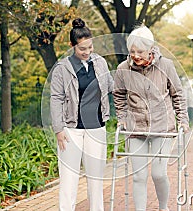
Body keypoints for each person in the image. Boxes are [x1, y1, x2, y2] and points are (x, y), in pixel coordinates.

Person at [113, 25, 190, 211]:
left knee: (158, 173)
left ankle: (163, 207)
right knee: (139, 176)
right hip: (135, 127)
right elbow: (118, 95)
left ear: (151, 49)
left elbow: (178, 94)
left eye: (140, 51)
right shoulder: (123, 69)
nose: (136, 55)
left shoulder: (166, 66)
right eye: (132, 51)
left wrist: (183, 119)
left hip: (162, 127)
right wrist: (122, 117)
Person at [50, 18, 113, 211]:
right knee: (69, 179)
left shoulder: (100, 63)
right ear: (72, 46)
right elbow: (56, 98)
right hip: (71, 131)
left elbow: (111, 86)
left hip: (97, 128)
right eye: (82, 49)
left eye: (89, 47)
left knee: (96, 178)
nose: (86, 52)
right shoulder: (62, 68)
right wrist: (59, 130)